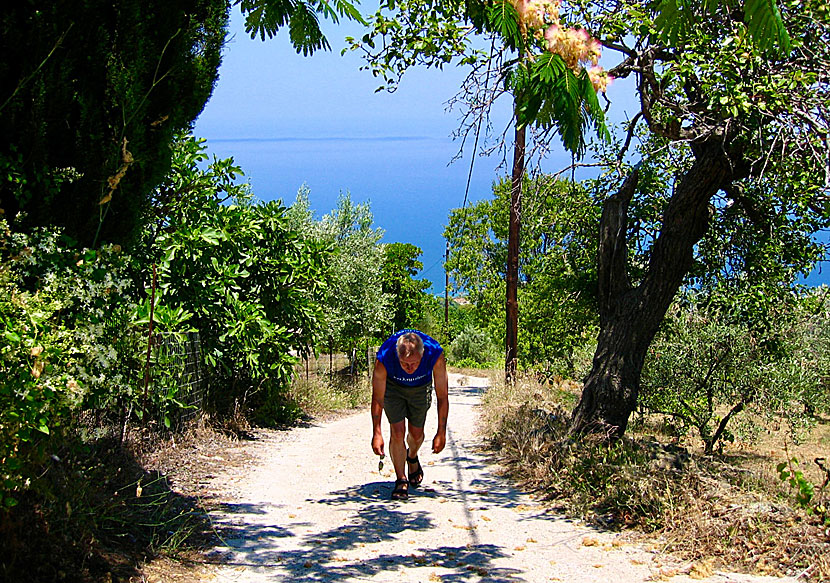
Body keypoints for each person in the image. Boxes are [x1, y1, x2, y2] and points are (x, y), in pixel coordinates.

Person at [371, 329, 449, 500]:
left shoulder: (434, 354)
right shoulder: (385, 357)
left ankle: (412, 456)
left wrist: (441, 432)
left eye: (414, 364)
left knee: (416, 434)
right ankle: (401, 479)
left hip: (421, 389)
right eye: (405, 364)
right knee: (397, 432)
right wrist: (376, 432)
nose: (410, 368)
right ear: (397, 356)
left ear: (423, 355)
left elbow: (442, 396)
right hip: (393, 387)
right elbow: (377, 397)